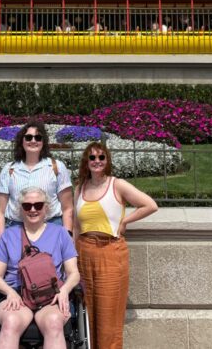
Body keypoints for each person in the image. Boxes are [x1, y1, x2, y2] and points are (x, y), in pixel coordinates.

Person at [74, 142, 157, 349]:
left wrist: (125, 221)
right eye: (92, 158)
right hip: (84, 251)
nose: (97, 162)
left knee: (108, 314)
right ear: (86, 161)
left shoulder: (116, 185)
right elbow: (76, 225)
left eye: (101, 158)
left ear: (107, 161)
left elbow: (150, 205)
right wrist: (72, 256)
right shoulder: (80, 188)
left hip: (110, 251)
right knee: (87, 311)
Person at [0, 187, 80, 349]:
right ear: (20, 209)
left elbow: (74, 273)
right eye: (27, 206)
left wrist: (64, 290)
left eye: (38, 205)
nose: (32, 209)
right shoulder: (8, 236)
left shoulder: (60, 233)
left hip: (50, 296)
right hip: (15, 295)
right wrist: (10, 293)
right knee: (11, 322)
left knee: (54, 322)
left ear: (46, 208)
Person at [0, 121, 74, 239]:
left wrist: (67, 237)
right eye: (28, 137)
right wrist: (2, 241)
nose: (33, 141)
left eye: (38, 137)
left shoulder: (57, 167)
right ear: (22, 141)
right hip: (16, 229)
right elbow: (0, 210)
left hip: (51, 228)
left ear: (43, 141)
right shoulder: (9, 169)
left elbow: (67, 208)